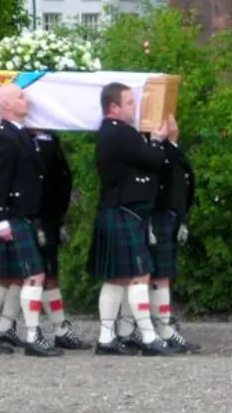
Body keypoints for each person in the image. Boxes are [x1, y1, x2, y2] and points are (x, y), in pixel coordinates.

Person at [0, 84, 62, 357]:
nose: (27, 99)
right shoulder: (4, 138)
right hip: (10, 216)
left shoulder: (20, 135)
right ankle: (33, 336)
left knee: (4, 278)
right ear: (7, 105)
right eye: (21, 96)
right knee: (35, 275)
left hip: (22, 215)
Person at [85, 82, 177, 356]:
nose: (134, 108)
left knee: (118, 278)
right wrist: (159, 140)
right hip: (123, 210)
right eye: (129, 103)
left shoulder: (115, 133)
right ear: (113, 107)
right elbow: (152, 159)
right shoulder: (120, 133)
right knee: (139, 274)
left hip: (122, 210)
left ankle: (107, 338)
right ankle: (148, 337)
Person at [0, 128, 92, 351]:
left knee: (45, 273)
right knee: (31, 274)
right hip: (30, 214)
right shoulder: (21, 140)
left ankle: (55, 329)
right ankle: (9, 330)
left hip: (48, 214)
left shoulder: (49, 138)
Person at [117, 115, 200, 353]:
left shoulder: (162, 148)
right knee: (153, 275)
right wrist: (168, 142)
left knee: (162, 274)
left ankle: (151, 328)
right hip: (156, 214)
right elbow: (161, 172)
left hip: (169, 214)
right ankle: (157, 329)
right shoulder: (148, 149)